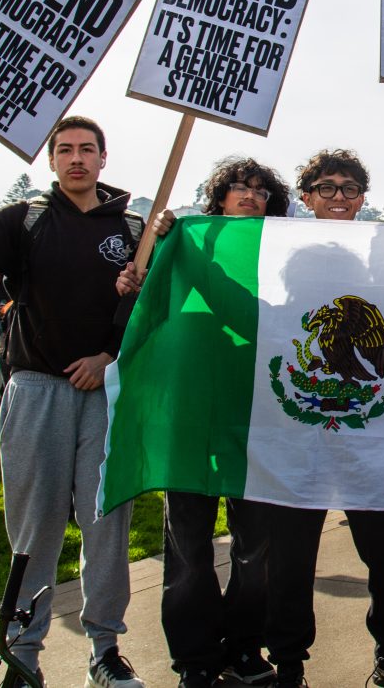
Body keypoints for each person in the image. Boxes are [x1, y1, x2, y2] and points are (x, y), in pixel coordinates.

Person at [0, 116, 147, 686]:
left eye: (86, 149)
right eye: (64, 150)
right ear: (50, 161)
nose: (76, 159)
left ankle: (104, 649)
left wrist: (110, 356)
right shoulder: (27, 220)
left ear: (103, 158)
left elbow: (155, 317)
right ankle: (22, 651)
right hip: (38, 388)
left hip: (106, 392)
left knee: (105, 522)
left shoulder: (139, 229)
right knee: (34, 526)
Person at [269, 149, 384, 688]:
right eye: (326, 187)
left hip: (371, 444)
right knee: (289, 560)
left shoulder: (383, 274)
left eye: (349, 187)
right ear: (306, 195)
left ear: (363, 197)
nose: (338, 196)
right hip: (294, 444)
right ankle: (288, 663)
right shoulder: (274, 256)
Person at [145, 158, 290, 687]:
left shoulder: (282, 254)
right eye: (237, 187)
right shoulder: (188, 245)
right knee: (188, 546)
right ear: (218, 199)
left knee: (256, 547)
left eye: (259, 190)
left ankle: (246, 648)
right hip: (191, 413)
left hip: (256, 415)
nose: (249, 196)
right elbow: (153, 308)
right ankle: (196, 657)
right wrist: (161, 247)